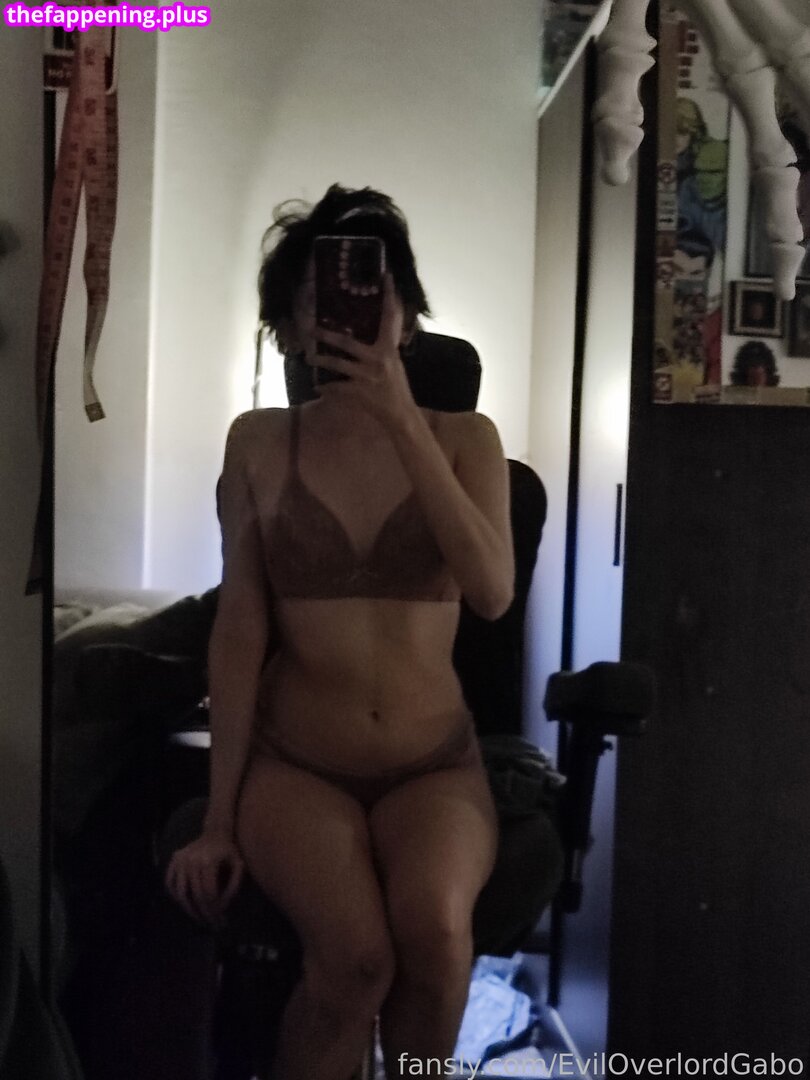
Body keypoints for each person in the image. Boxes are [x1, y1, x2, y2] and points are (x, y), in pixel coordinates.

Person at [165, 184, 513, 1080]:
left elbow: (490, 592)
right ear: (288, 328)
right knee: (355, 961)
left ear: (406, 316)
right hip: (297, 767)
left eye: (367, 295)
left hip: (433, 766)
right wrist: (217, 817)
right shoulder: (258, 442)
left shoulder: (467, 439)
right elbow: (239, 629)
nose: (344, 317)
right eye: (318, 300)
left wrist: (400, 417)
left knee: (437, 936)